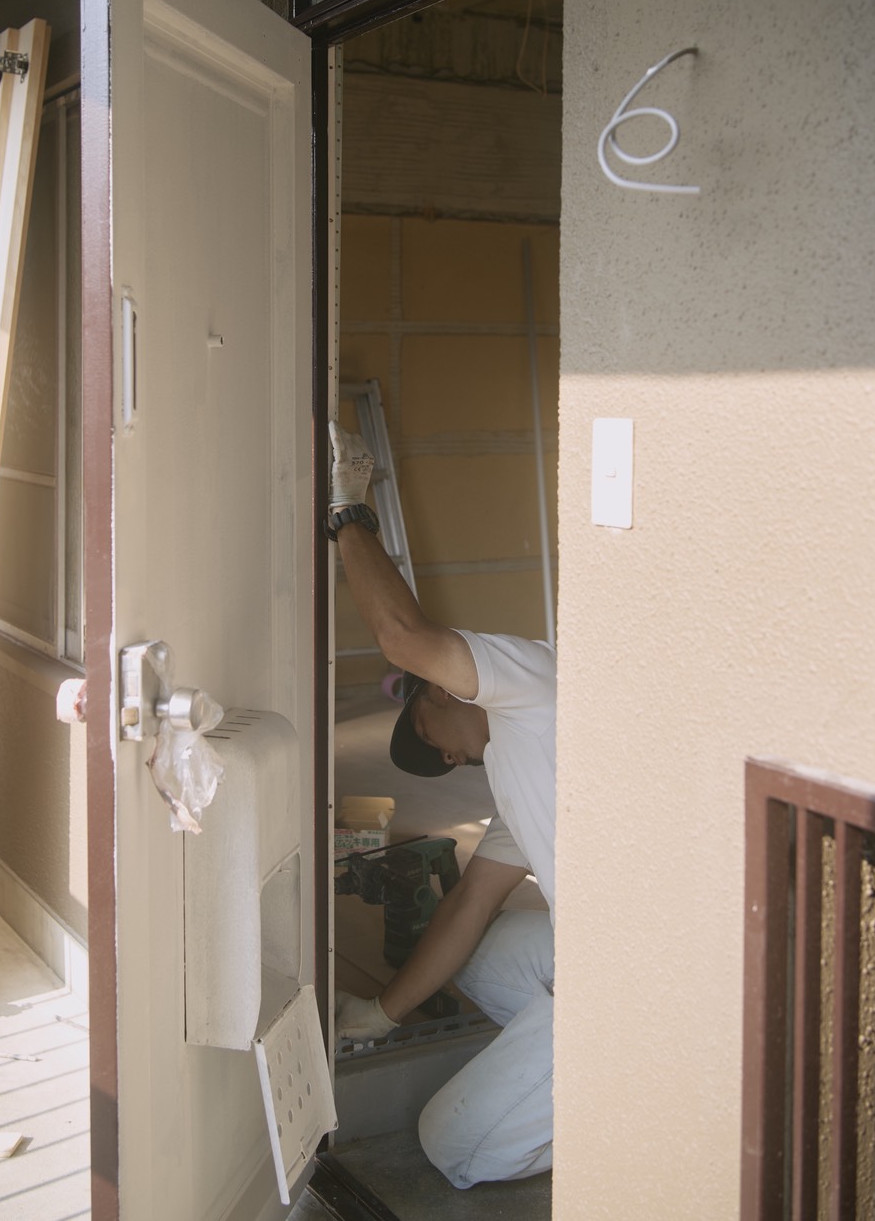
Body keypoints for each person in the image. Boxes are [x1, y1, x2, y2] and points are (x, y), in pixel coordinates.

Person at [327, 422, 556, 1190]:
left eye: (430, 724)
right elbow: (467, 902)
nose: (449, 754)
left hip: (650, 968)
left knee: (452, 1144)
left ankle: (625, 1085)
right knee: (486, 954)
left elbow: (402, 636)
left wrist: (347, 511)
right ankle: (566, 1056)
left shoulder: (532, 681)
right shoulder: (519, 775)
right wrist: (381, 1013)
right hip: (616, 948)